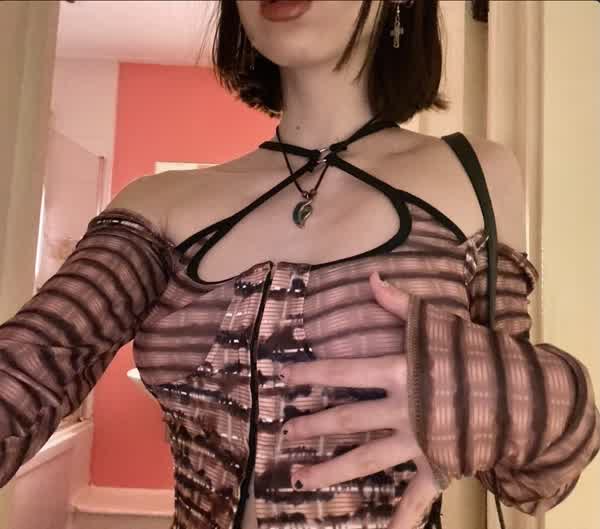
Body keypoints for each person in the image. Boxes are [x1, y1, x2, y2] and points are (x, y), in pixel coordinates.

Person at [0, 1, 598, 529]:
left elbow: (537, 477)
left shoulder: (477, 175)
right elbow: (24, 374)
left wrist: (501, 396)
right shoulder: (155, 203)